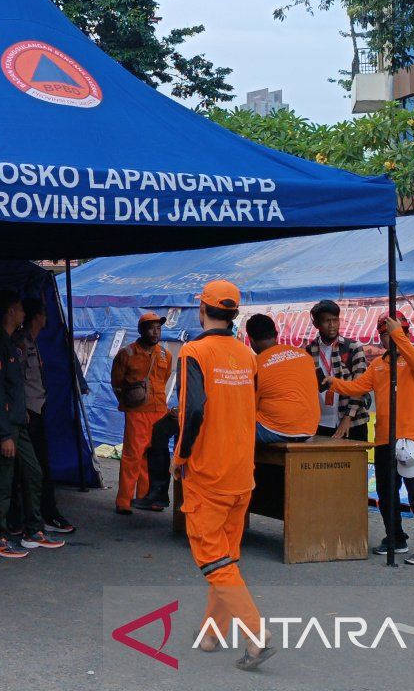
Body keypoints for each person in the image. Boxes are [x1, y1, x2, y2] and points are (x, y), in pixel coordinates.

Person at [175, 280, 273, 670]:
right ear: (235, 314)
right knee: (227, 555)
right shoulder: (248, 357)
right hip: (240, 474)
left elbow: (193, 411)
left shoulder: (194, 351)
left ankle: (256, 635)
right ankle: (213, 632)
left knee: (213, 556)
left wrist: (180, 455)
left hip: (207, 473)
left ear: (202, 309)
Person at [324, 313, 414, 566]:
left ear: (404, 333)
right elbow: (357, 387)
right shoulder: (378, 364)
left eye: (392, 333)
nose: (387, 338)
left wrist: (398, 334)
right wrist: (332, 383)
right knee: (386, 493)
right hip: (384, 439)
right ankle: (396, 537)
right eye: (384, 334)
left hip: (412, 438)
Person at [0, 289, 64, 558]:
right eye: (20, 309)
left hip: (19, 422)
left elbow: (15, 387)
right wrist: (4, 433)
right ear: (10, 312)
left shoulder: (12, 344)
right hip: (4, 427)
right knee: (2, 481)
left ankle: (33, 530)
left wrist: (21, 413)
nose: (24, 314)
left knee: (33, 472)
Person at [11, 297, 75, 533]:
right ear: (37, 317)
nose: (46, 319)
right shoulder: (19, 343)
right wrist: (21, 411)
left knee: (34, 467)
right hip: (27, 413)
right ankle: (36, 517)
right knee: (33, 468)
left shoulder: (32, 343)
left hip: (37, 409)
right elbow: (14, 381)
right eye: (44, 314)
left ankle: (33, 515)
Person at [111, 312, 173, 514]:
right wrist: (129, 403)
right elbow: (117, 383)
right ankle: (124, 501)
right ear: (141, 330)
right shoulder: (127, 354)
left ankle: (147, 498)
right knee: (132, 456)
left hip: (159, 412)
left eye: (159, 328)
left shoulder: (165, 355)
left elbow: (163, 381)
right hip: (137, 413)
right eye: (151, 327)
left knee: (153, 457)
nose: (156, 332)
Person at [245, 314, 321, 444]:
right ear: (276, 334)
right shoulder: (304, 355)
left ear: (251, 340)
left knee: (229, 428)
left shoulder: (256, 363)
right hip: (309, 429)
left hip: (274, 430)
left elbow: (249, 407)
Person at [305, 300, 370, 441]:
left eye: (335, 320)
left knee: (354, 463)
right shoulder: (309, 350)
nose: (332, 325)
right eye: (326, 321)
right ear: (316, 324)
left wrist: (347, 418)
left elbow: (359, 386)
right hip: (321, 423)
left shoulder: (353, 347)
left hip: (353, 423)